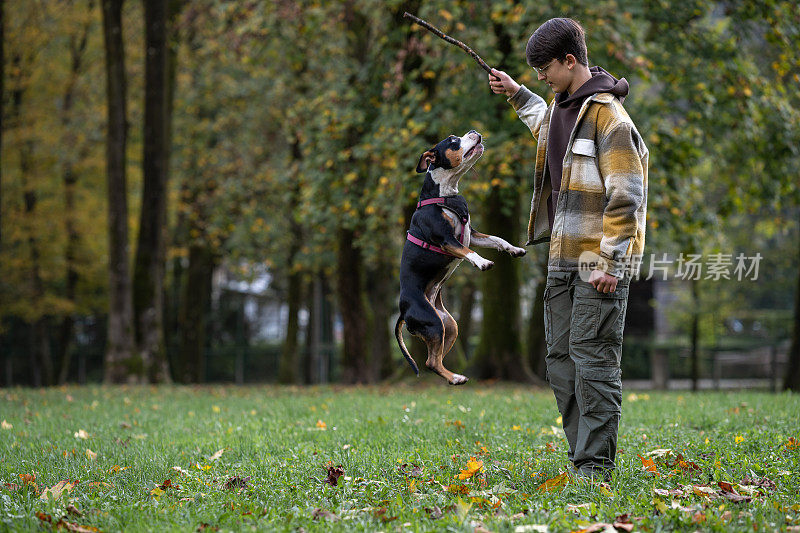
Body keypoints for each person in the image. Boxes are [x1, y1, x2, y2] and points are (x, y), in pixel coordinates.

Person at [488, 17, 648, 481]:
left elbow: (627, 195)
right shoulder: (563, 108)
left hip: (597, 264)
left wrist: (610, 262)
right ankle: (583, 457)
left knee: (593, 359)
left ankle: (595, 467)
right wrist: (518, 93)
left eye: (545, 70)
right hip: (561, 259)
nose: (542, 77)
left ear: (570, 60)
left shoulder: (610, 119)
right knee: (560, 362)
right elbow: (546, 127)